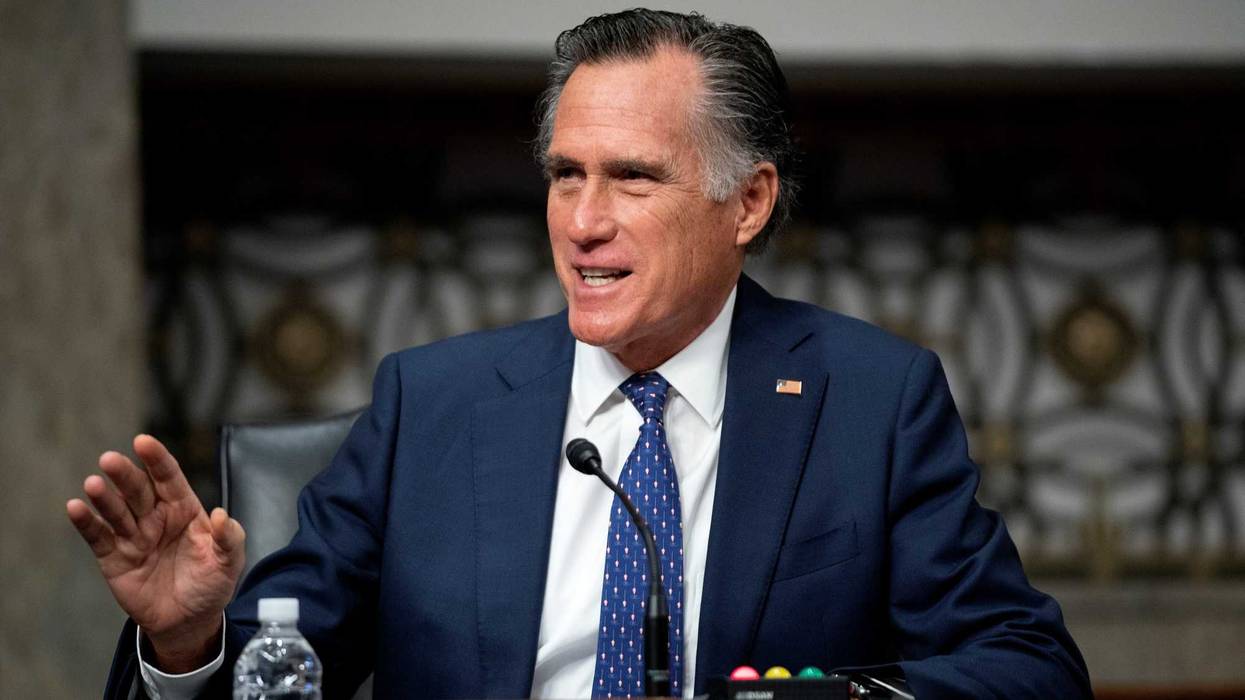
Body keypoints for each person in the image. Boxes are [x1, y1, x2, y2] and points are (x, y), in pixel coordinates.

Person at [68, 9, 1090, 699]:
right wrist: (186, 643)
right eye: (565, 175)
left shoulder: (870, 401)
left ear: (750, 201)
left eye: (632, 179)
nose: (583, 222)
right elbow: (283, 673)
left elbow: (1032, 666)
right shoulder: (432, 404)